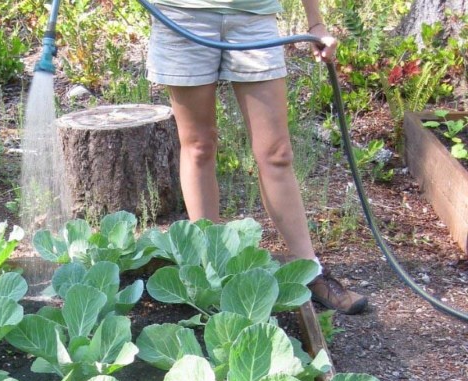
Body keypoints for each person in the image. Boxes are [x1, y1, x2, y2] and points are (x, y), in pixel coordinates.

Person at [146, 0, 367, 314]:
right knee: (198, 146)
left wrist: (315, 22)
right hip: (182, 16)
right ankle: (211, 272)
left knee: (276, 152)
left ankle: (309, 271)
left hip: (253, 17)